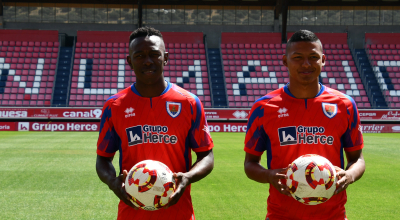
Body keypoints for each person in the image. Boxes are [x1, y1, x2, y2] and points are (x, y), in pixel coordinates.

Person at [243, 30, 365, 220]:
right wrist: (269, 175)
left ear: (323, 59)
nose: (306, 64)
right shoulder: (264, 107)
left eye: (313, 57)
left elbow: (357, 159)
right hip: (280, 215)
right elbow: (250, 164)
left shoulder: (345, 105)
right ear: (285, 61)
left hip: (333, 216)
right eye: (298, 57)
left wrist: (349, 176)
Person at [96, 27, 214, 220]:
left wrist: (188, 178)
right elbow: (103, 158)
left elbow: (206, 155)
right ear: (130, 62)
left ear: (165, 58)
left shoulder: (189, 103)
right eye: (140, 55)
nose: (148, 61)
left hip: (179, 213)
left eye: (154, 54)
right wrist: (112, 182)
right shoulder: (114, 106)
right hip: (131, 213)